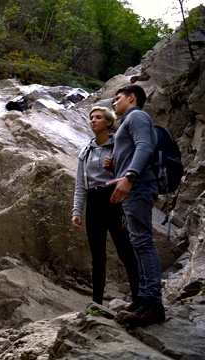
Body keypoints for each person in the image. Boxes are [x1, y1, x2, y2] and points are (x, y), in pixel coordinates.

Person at [106, 84, 165, 327]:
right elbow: (136, 150)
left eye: (117, 98)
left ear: (132, 98)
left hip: (138, 185)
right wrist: (115, 165)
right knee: (137, 242)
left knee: (143, 242)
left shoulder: (137, 115)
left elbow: (145, 147)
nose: (114, 103)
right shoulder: (127, 122)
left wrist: (129, 176)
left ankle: (153, 303)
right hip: (134, 189)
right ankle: (142, 298)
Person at [72, 106, 139, 306]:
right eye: (91, 117)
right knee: (97, 256)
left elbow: (129, 176)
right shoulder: (85, 151)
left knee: (125, 250)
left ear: (109, 123)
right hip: (94, 202)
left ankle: (139, 296)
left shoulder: (120, 146)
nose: (93, 120)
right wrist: (76, 211)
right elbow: (80, 184)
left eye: (98, 117)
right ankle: (96, 303)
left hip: (114, 199)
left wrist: (127, 211)